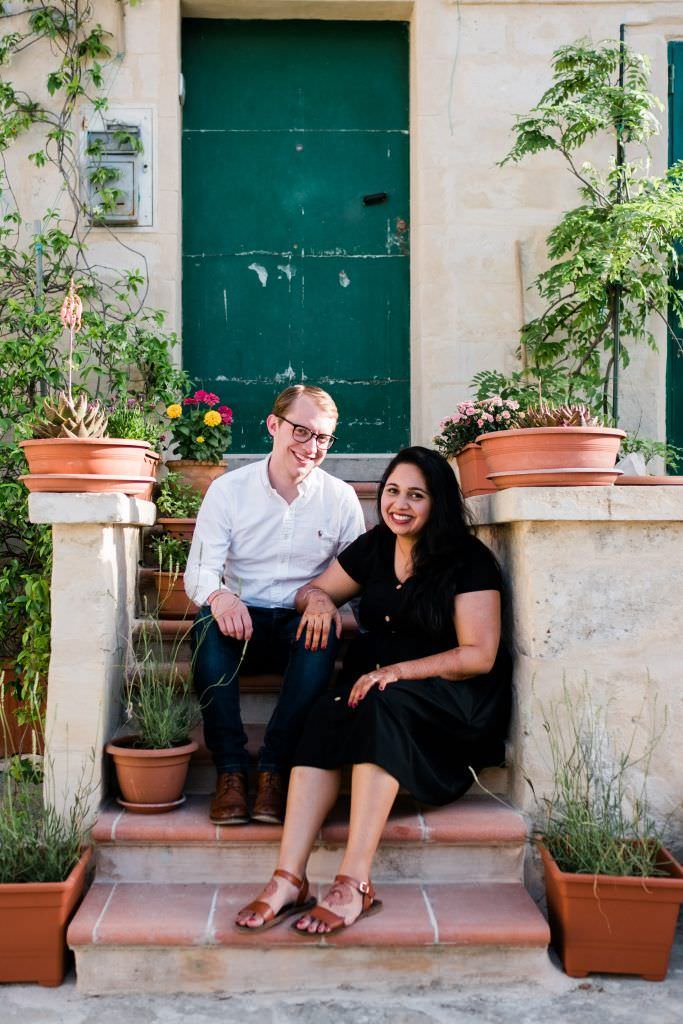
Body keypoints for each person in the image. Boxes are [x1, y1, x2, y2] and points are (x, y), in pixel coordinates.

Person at [234, 445, 511, 934]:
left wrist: (401, 671)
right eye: (392, 491)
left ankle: (353, 882)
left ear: (438, 502)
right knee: (324, 712)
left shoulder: (469, 560)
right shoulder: (376, 545)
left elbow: (477, 655)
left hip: (450, 698)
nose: (399, 504)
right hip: (378, 682)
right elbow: (312, 590)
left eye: (416, 495)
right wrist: (319, 602)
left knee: (379, 702)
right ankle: (288, 877)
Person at [184, 385, 365, 826]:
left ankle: (273, 771)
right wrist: (220, 594)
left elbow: (361, 573)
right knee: (207, 627)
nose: (311, 447)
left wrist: (327, 600)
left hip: (295, 623)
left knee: (323, 638)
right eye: (301, 432)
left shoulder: (339, 498)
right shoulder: (229, 490)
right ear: (273, 426)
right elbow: (199, 572)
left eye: (323, 438)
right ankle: (229, 771)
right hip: (238, 622)